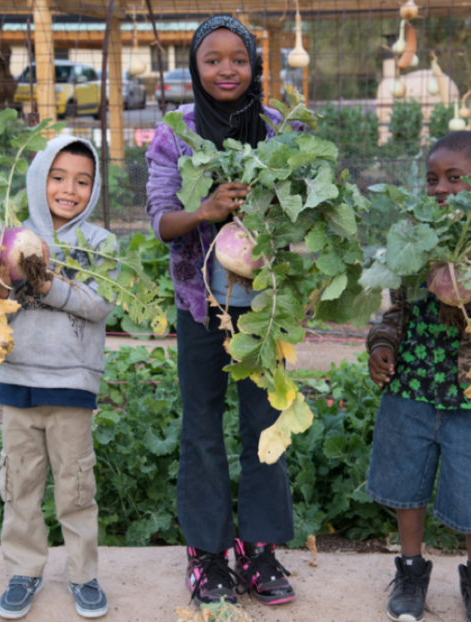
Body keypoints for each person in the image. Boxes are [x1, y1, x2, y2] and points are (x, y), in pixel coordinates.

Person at [145, 15, 297, 608]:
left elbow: (298, 212)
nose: (227, 69)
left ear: (255, 65)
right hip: (200, 307)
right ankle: (207, 554)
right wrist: (207, 211)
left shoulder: (279, 129)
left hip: (265, 310)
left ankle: (259, 548)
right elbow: (160, 220)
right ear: (195, 67)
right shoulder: (174, 134)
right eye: (213, 59)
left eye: (239, 58)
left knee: (267, 425)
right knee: (202, 427)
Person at [365, 131, 471, 622]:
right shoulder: (415, 228)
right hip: (412, 385)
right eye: (433, 178)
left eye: (455, 178)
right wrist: (382, 344)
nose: (440, 188)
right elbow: (395, 307)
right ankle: (411, 571)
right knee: (406, 481)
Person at [0, 136, 114, 620]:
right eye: (58, 177)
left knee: (76, 487)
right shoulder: (11, 237)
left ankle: (83, 576)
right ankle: (24, 571)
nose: (69, 189)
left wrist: (45, 282)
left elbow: (98, 304)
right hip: (19, 380)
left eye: (82, 181)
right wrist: (1, 272)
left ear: (95, 187)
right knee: (19, 484)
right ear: (38, 179)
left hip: (72, 384)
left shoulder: (101, 244)